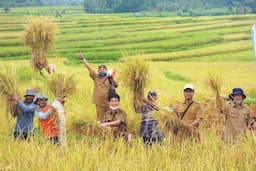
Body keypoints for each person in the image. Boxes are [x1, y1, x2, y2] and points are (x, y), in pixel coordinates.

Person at [77, 52, 118, 123]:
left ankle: (111, 132)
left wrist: (111, 78)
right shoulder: (96, 77)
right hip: (99, 103)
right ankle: (102, 132)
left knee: (110, 118)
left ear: (106, 70)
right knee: (101, 119)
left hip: (109, 103)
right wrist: (83, 59)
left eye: (103, 70)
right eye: (100, 70)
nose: (101, 71)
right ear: (98, 71)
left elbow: (116, 85)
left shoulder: (109, 78)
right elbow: (89, 68)